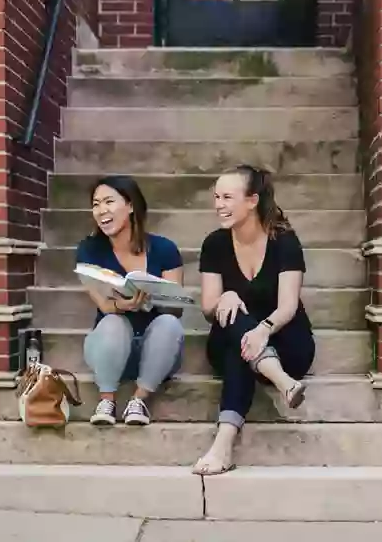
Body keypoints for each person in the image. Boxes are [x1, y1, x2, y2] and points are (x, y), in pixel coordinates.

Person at [193, 165, 315, 475]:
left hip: (287, 341)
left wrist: (263, 330)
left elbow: (288, 306)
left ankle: (222, 446)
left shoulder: (284, 241)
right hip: (234, 341)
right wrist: (224, 297)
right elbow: (208, 308)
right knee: (236, 331)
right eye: (216, 197)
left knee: (243, 345)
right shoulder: (214, 244)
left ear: (252, 200)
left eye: (228, 197)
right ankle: (283, 383)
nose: (219, 204)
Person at [75, 176, 186, 426]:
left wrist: (154, 298)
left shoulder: (164, 249)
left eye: (109, 201)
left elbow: (177, 308)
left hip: (157, 352)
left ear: (131, 205)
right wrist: (121, 306)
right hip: (109, 349)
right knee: (113, 321)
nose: (101, 210)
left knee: (168, 323)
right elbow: (104, 305)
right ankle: (107, 400)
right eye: (95, 204)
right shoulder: (89, 250)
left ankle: (139, 400)